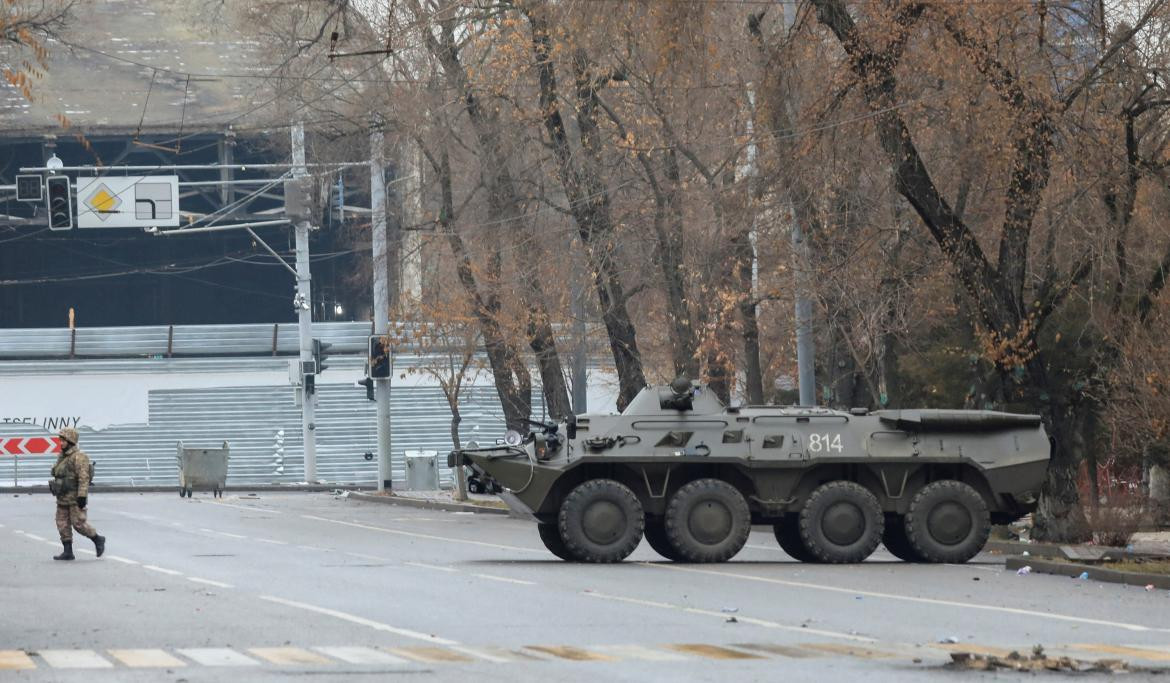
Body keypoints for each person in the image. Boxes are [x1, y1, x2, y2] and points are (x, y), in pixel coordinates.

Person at [49, 427, 105, 561]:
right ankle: (68, 551)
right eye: (60, 440)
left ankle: (97, 539)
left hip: (74, 498)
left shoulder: (79, 457)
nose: (61, 443)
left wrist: (82, 496)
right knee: (61, 523)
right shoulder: (62, 456)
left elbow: (83, 477)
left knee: (78, 524)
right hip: (62, 496)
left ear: (71, 441)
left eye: (63, 440)